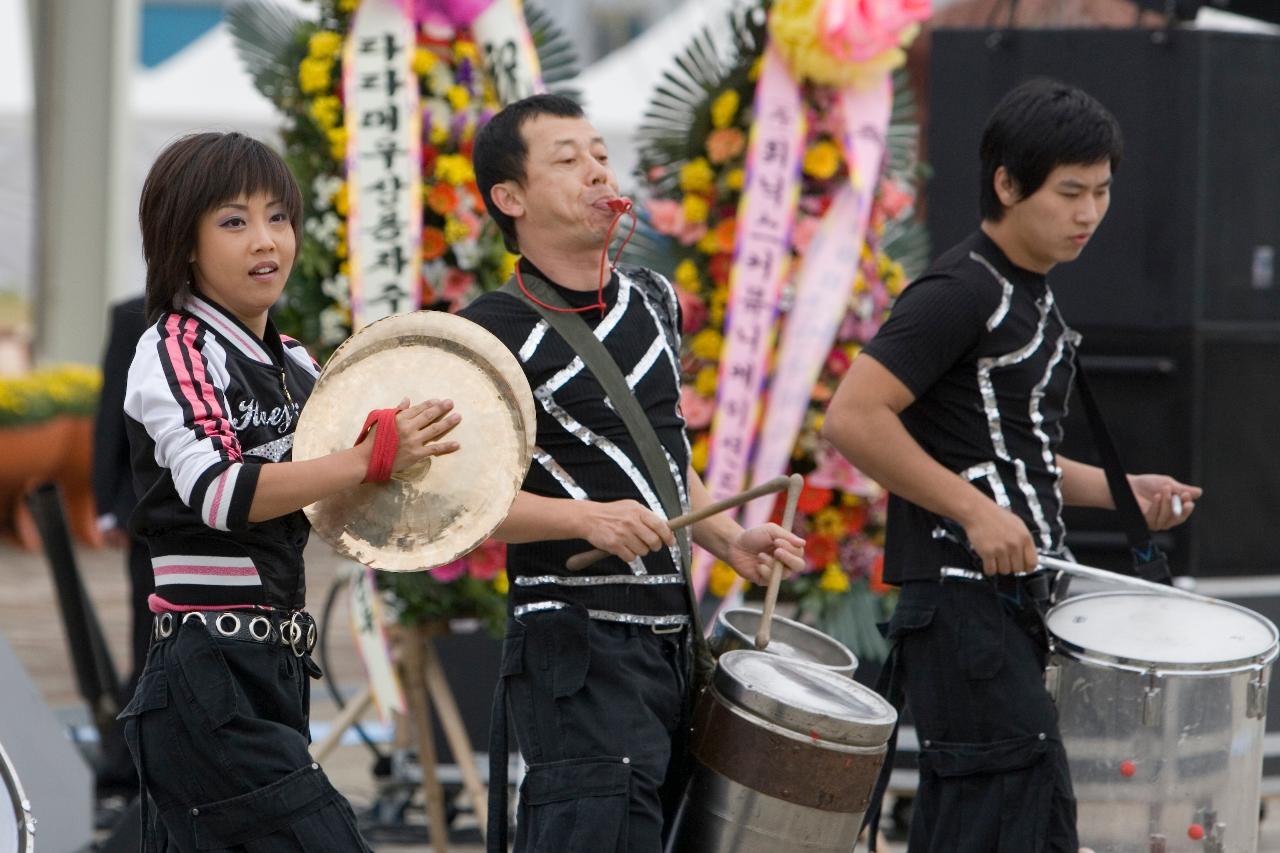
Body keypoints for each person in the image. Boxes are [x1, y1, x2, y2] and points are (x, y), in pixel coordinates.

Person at [821, 79, 1202, 853]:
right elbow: (854, 418)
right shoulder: (961, 289)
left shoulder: (1030, 295)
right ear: (1006, 183)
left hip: (1006, 601)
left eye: (1101, 191)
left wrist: (1122, 494)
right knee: (1010, 810)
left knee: (1002, 818)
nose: (1089, 212)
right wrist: (972, 511)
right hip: (960, 598)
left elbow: (1012, 454)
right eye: (1070, 192)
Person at [460, 93, 806, 853]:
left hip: (671, 643)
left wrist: (727, 540)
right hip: (575, 643)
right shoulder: (487, 329)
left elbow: (663, 454)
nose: (595, 171)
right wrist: (580, 519)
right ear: (509, 198)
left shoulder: (653, 299)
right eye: (566, 159)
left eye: (599, 156)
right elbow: (456, 501)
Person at [119, 131, 461, 851]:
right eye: (234, 221)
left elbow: (352, 490)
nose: (265, 240)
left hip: (271, 674)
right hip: (203, 677)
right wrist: (370, 458)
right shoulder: (173, 346)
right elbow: (219, 492)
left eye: (279, 217)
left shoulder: (298, 362)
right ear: (182, 241)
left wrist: (435, 470)